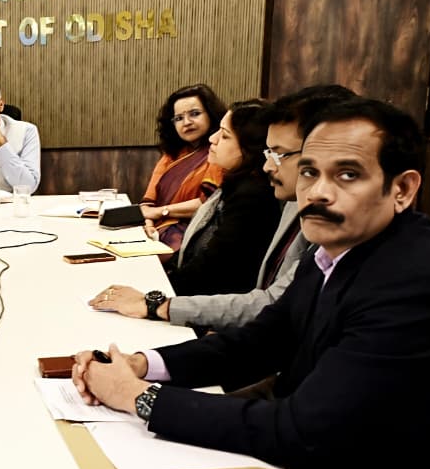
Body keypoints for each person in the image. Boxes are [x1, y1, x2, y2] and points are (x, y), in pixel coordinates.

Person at [71, 98, 430, 469]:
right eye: (309, 172)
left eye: (347, 174)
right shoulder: (333, 249)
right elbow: (260, 341)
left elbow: (301, 431)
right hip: (321, 454)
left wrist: (137, 397)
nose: (318, 192)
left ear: (402, 190)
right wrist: (143, 364)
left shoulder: (418, 285)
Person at [91, 86, 355, 327]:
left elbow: (256, 295)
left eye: (350, 174)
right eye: (179, 118)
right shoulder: (279, 197)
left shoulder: (260, 195)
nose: (213, 140)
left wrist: (156, 300)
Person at [152, 100, 282, 297]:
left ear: (250, 148)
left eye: (225, 135)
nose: (212, 139)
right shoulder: (236, 183)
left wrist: (156, 294)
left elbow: (215, 267)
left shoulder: (252, 195)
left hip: (214, 300)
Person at [139, 84, 227, 250]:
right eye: (179, 118)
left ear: (211, 114)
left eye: (195, 114)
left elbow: (209, 203)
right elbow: (148, 203)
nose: (186, 122)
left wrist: (160, 212)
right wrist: (149, 224)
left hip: (195, 235)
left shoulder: (219, 152)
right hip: (157, 232)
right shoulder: (171, 155)